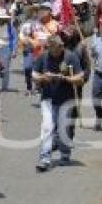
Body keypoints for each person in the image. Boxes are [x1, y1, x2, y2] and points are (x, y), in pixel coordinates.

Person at [33, 35, 85, 172]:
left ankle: (65, 153)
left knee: (64, 129)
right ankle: (44, 158)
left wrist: (67, 78)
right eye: (54, 48)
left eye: (60, 47)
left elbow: (80, 77)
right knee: (47, 127)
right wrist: (43, 77)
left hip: (66, 98)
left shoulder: (71, 57)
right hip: (48, 98)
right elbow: (34, 74)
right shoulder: (43, 57)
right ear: (49, 48)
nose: (58, 50)